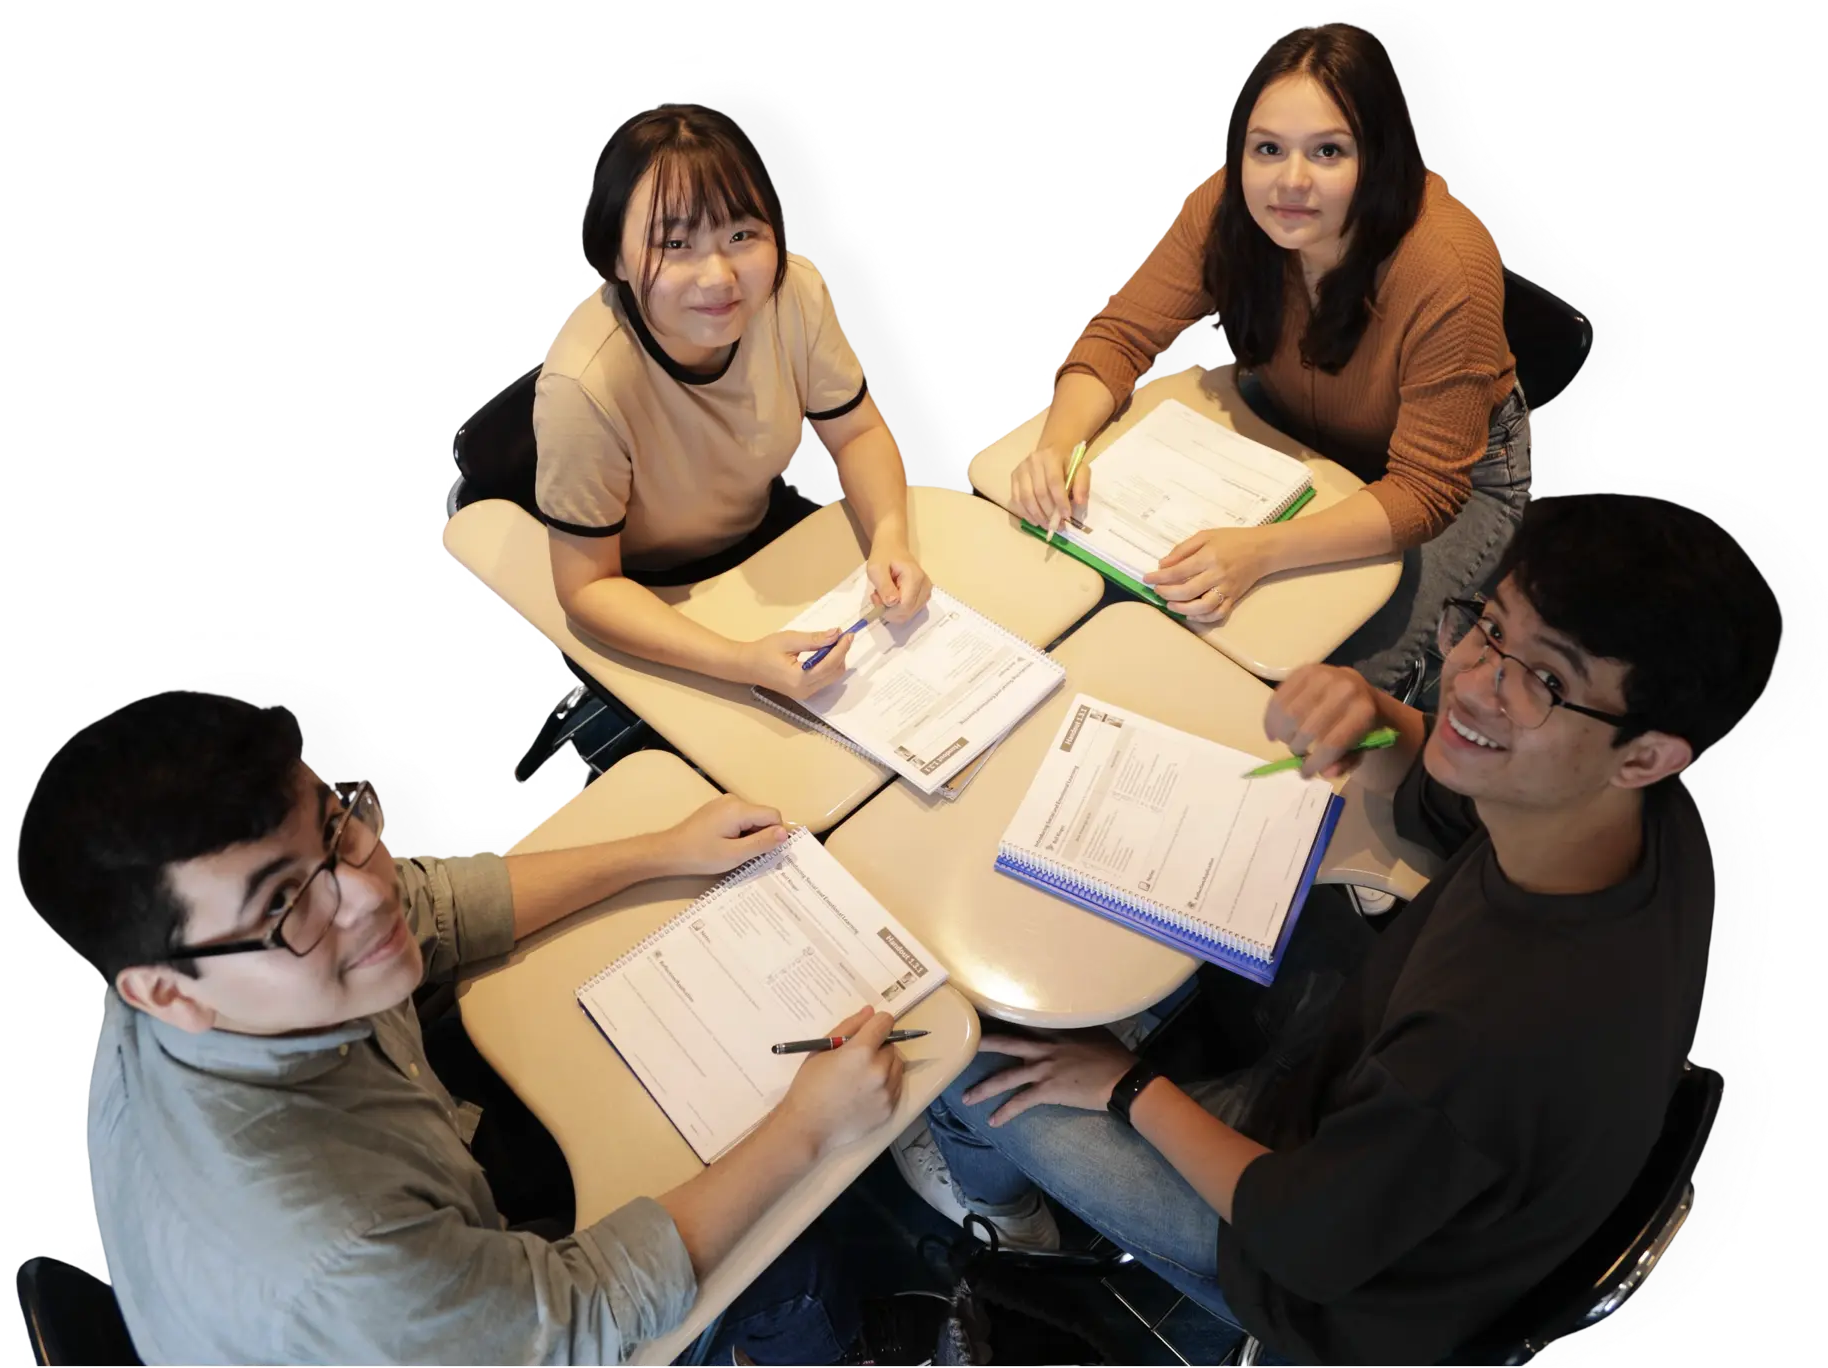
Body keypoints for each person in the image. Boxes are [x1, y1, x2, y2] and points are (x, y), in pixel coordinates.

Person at [902, 494, 1782, 1364]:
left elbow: (1301, 1239)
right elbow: (1448, 801)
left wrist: (1128, 1086)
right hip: (1372, 1125)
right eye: (1491, 629)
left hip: (1318, 1275)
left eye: (1545, 682)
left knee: (958, 1044)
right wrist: (1369, 710)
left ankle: (1010, 1225)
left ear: (1647, 754)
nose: (1475, 682)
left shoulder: (1494, 1043)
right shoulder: (1643, 821)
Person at [17, 690, 927, 1365]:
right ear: (164, 994)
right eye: (290, 900)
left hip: (425, 1248)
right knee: (786, 1254)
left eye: (339, 828)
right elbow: (588, 1314)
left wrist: (664, 851)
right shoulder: (336, 1248)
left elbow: (429, 904)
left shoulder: (200, 969)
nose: (368, 893)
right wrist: (808, 1128)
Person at [1008, 23, 1528, 693]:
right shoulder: (1227, 207)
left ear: (1380, 155)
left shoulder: (1450, 268)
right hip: (1291, 422)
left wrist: (1261, 552)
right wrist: (1057, 447)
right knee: (1119, 595)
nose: (1291, 181)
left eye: (1329, 152)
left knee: (1330, 690)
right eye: (1268, 149)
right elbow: (1121, 336)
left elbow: (1426, 491)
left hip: (1456, 475)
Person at [535, 103, 931, 703]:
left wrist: (892, 537)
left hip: (758, 530)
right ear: (613, 255)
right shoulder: (583, 387)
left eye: (741, 234)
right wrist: (741, 661)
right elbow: (586, 587)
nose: (719, 277)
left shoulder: (792, 293)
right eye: (675, 243)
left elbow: (856, 434)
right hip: (646, 590)